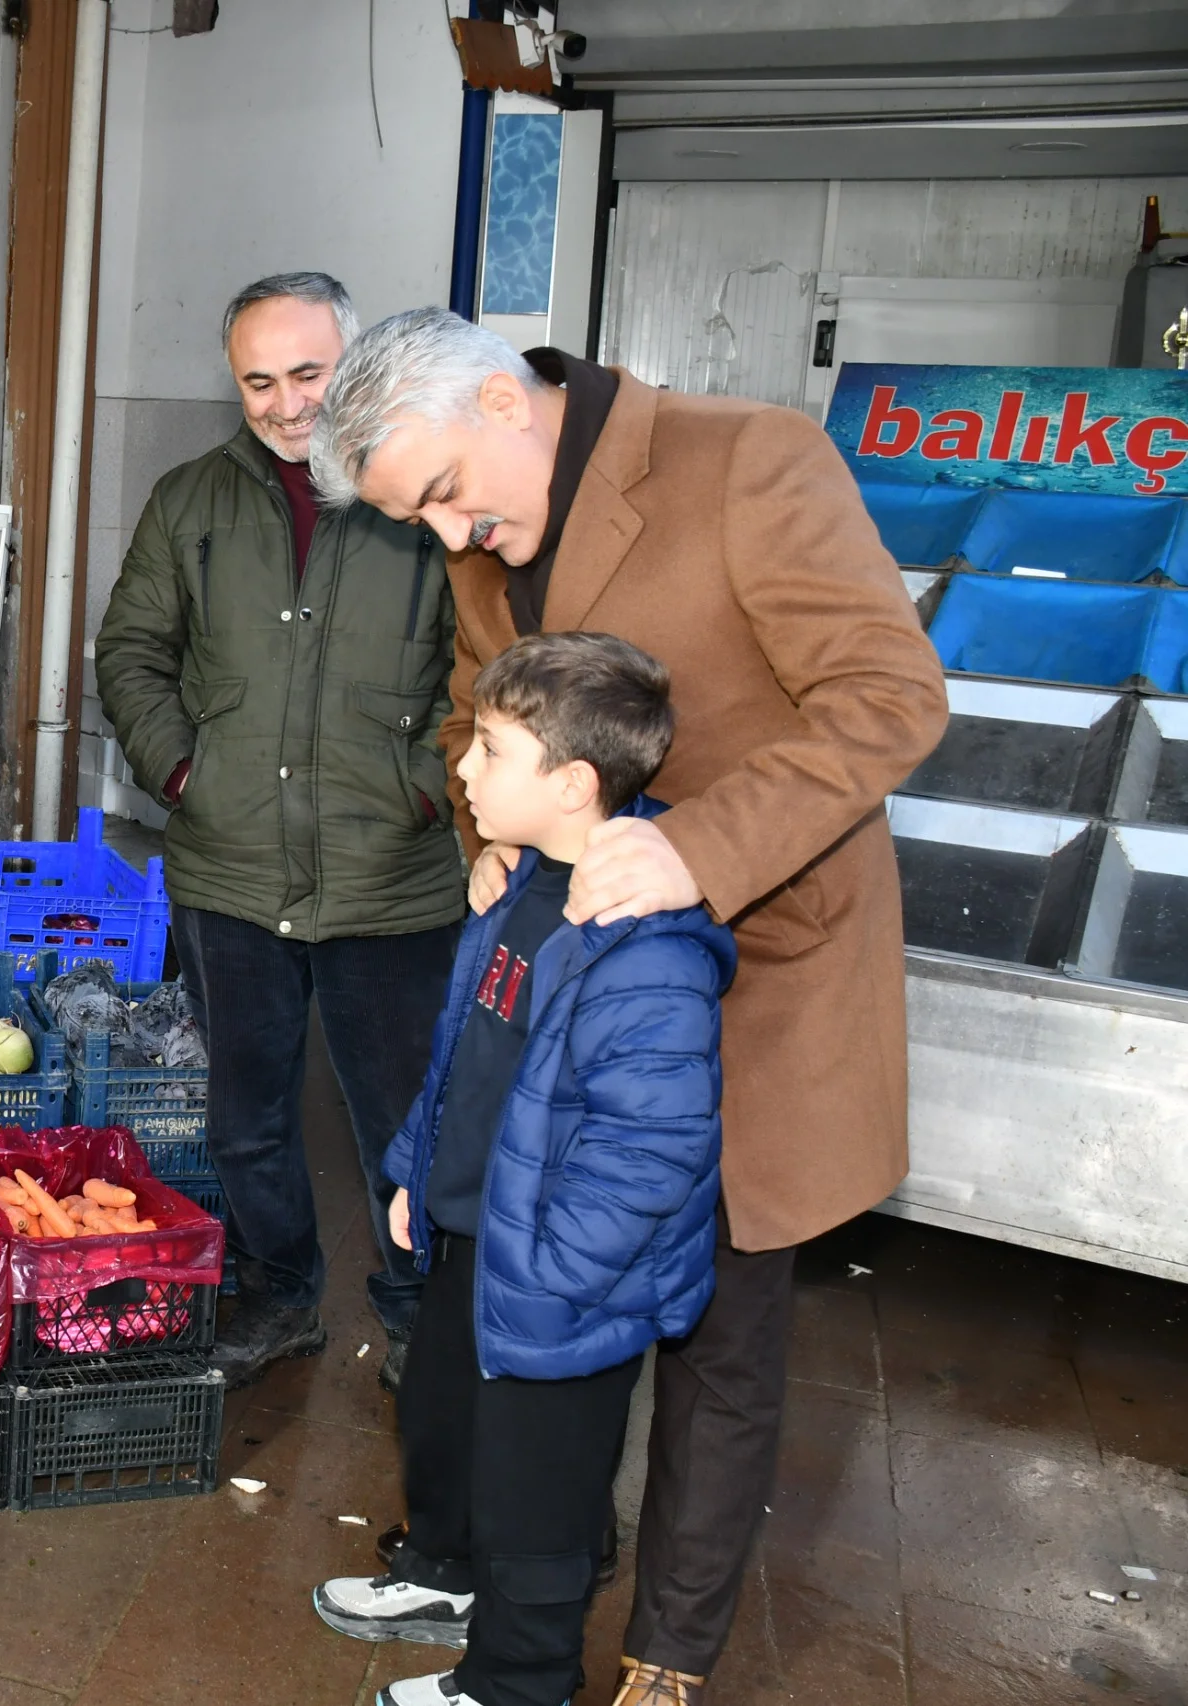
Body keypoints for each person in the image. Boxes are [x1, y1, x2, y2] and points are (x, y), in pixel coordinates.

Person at [316, 308, 949, 1706]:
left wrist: (701, 848)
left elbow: (892, 696)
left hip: (763, 964)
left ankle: (668, 1650)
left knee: (721, 1327)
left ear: (502, 396)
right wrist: (488, 832)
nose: (447, 537)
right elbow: (472, 706)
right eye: (414, 518)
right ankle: (509, 1574)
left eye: (441, 495)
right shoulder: (492, 532)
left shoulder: (748, 462)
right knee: (540, 1292)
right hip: (573, 976)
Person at [314, 633, 733, 1706]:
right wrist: (414, 1169)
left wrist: (554, 1266)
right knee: (448, 1427)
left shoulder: (644, 944)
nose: (461, 768)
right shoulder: (517, 884)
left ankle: (518, 1679)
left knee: (537, 1498)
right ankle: (446, 1575)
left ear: (572, 783)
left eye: (490, 750)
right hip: (474, 1233)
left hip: (560, 1280)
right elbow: (459, 1050)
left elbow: (651, 1149)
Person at [96, 273, 465, 1391]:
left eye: (306, 372)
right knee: (244, 1116)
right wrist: (181, 770)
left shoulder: (415, 494)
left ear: (351, 361)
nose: (285, 401)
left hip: (389, 873)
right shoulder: (189, 500)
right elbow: (129, 652)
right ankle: (276, 1292)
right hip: (228, 865)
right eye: (258, 380)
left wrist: (419, 786)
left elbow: (488, 667)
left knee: (402, 1123)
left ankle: (414, 1314)